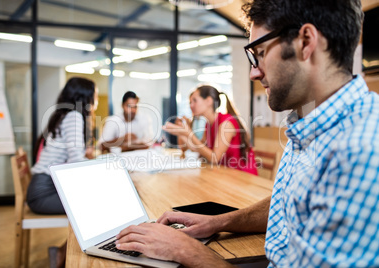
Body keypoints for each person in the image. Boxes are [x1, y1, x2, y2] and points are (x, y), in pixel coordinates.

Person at [115, 0, 379, 267]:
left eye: (260, 53)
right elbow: (289, 201)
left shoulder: (360, 151)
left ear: (305, 42)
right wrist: (218, 222)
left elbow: (215, 158)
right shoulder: (310, 125)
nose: (254, 72)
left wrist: (184, 250)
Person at [27, 77, 98, 268]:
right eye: (95, 93)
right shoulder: (74, 116)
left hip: (42, 187)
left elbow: (71, 157)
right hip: (43, 193)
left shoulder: (63, 114)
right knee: (92, 207)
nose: (96, 98)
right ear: (86, 96)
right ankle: (67, 257)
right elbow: (76, 160)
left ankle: (61, 253)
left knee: (91, 202)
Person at [165, 84, 257, 175]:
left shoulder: (226, 123)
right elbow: (198, 148)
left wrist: (189, 134)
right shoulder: (208, 124)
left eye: (194, 101)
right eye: (190, 102)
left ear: (209, 101)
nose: (191, 105)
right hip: (224, 174)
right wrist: (182, 133)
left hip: (242, 177)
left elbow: (215, 158)